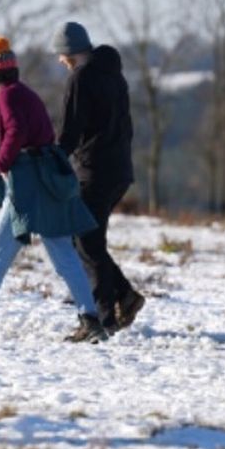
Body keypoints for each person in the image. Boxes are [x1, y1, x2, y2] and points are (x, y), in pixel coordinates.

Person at [0, 36, 109, 344]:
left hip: (28, 188)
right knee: (63, 255)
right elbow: (34, 138)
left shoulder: (7, 96)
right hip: (44, 179)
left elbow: (15, 135)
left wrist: (1, 163)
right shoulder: (24, 93)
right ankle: (91, 319)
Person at [51, 21, 145, 339]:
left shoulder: (81, 77)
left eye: (60, 56)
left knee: (86, 242)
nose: (60, 62)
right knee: (89, 240)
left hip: (94, 170)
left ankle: (106, 317)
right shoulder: (114, 75)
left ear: (69, 53)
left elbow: (70, 130)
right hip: (119, 169)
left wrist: (53, 161)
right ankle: (123, 298)